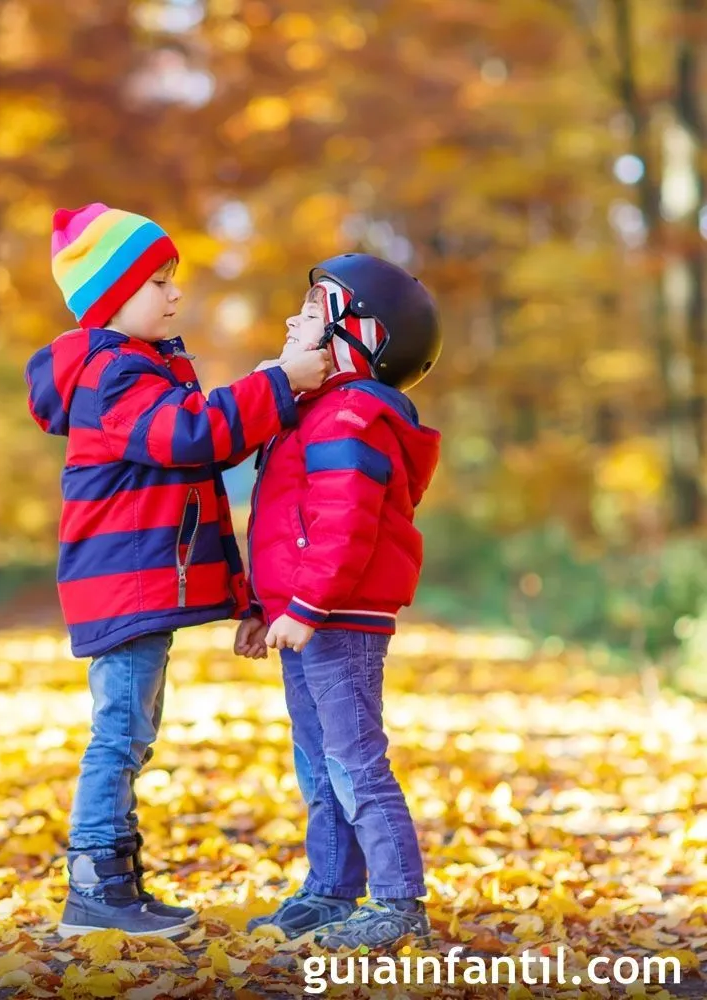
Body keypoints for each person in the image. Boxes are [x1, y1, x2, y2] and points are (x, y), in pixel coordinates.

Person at [25, 202, 331, 938]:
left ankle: (116, 879)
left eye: (173, 280)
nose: (175, 294)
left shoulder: (140, 369)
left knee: (133, 727)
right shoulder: (113, 375)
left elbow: (203, 445)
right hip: (120, 588)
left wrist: (270, 386)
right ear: (110, 298)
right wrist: (279, 383)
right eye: (157, 281)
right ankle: (96, 883)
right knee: (120, 730)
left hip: (130, 587)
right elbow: (191, 435)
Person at [234, 253, 443, 949]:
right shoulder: (312, 413)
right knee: (317, 761)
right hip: (306, 616)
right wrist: (266, 606)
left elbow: (344, 527)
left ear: (365, 336)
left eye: (314, 306)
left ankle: (397, 900)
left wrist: (307, 606)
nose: (294, 317)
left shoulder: (353, 417)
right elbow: (286, 523)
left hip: (339, 618)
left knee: (354, 759)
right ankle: (330, 889)